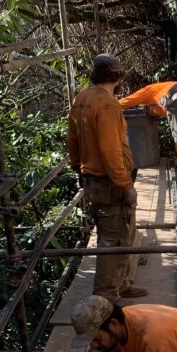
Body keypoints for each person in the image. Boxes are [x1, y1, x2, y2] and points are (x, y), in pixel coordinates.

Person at [67, 54, 148, 302]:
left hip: (93, 179)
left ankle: (121, 284)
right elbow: (110, 149)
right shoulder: (108, 104)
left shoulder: (81, 99)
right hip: (110, 182)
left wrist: (77, 168)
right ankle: (105, 299)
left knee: (123, 233)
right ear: (118, 76)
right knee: (113, 240)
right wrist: (125, 184)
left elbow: (72, 140)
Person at [120, 80, 177, 182]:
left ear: (149, 106)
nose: (155, 116)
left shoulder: (147, 90)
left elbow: (127, 101)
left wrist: (107, 104)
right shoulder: (163, 88)